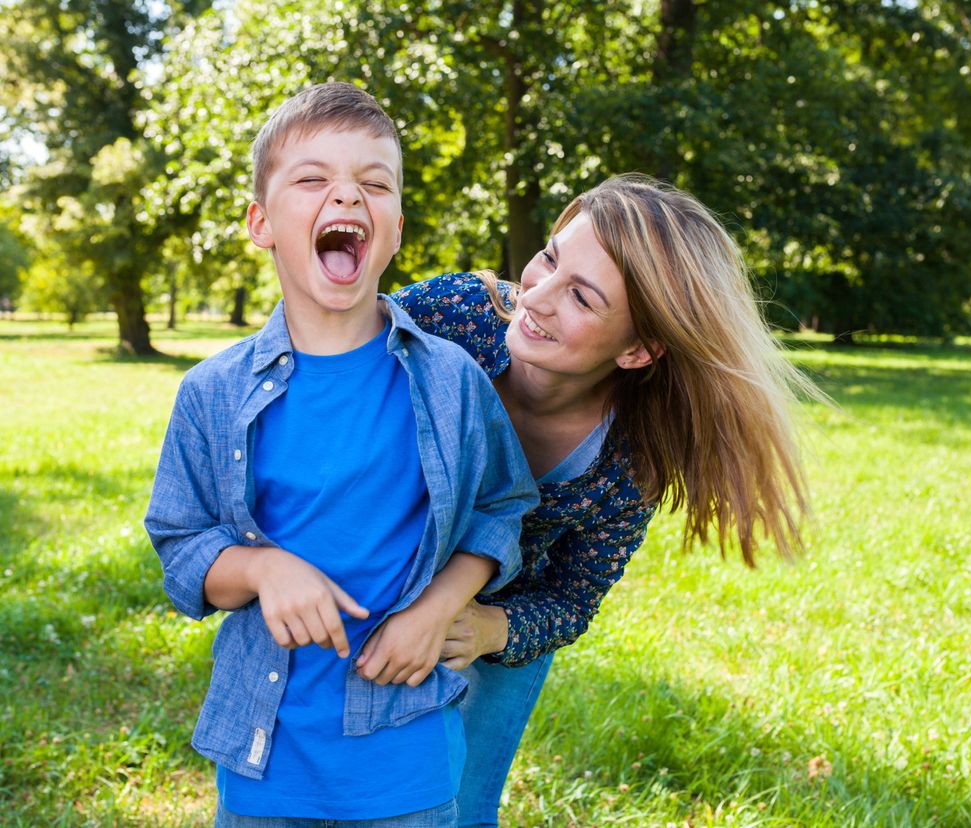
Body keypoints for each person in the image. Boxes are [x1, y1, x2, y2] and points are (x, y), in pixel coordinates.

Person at [144, 81, 538, 828]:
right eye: (314, 179)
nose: (347, 197)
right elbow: (182, 547)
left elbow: (501, 509)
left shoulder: (450, 380)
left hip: (408, 756)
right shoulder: (212, 393)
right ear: (260, 223)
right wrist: (263, 568)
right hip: (267, 759)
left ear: (392, 227)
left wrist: (441, 604)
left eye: (374, 183)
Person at [385, 174, 818, 827]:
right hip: (379, 574)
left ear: (638, 349)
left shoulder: (629, 460)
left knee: (462, 806)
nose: (538, 295)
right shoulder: (455, 315)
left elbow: (573, 598)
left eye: (583, 297)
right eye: (551, 258)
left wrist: (489, 630)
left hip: (497, 614)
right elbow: (322, 363)